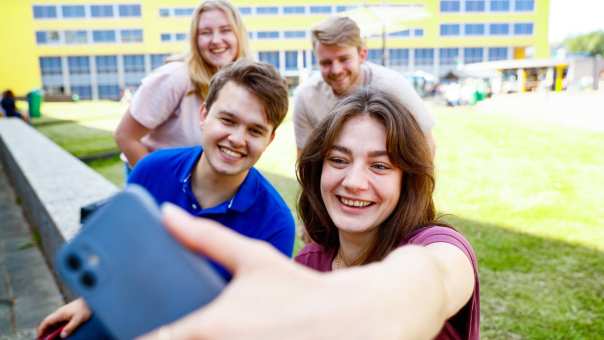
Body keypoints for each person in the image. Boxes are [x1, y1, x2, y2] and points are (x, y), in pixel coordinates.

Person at [139, 87, 479, 340]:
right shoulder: (307, 265)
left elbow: (436, 278)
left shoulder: (437, 244)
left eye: (379, 165)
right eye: (339, 160)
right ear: (318, 171)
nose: (354, 182)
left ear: (407, 179)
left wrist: (381, 307)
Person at [37, 60, 295, 339]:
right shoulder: (152, 169)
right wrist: (91, 300)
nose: (237, 139)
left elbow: (253, 322)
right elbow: (121, 257)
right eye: (227, 120)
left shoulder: (276, 224)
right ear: (204, 115)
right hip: (126, 311)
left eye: (255, 130)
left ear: (270, 139)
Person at [113, 0, 250, 174]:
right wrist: (162, 186)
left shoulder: (236, 85)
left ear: (239, 35)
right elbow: (125, 136)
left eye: (225, 30)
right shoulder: (175, 77)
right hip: (158, 182)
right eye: (205, 32)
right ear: (195, 39)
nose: (216, 40)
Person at [293, 16, 436, 157]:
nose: (336, 70)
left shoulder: (393, 86)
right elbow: (305, 158)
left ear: (362, 54)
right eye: (326, 63)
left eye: (344, 59)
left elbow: (426, 143)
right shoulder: (306, 97)